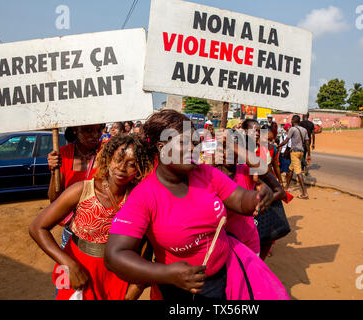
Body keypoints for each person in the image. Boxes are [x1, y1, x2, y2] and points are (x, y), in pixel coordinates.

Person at [104, 109, 289, 301]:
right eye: (184, 143)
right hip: (175, 289)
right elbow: (115, 255)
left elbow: (241, 201)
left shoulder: (207, 174)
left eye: (195, 143)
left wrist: (258, 197)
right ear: (161, 148)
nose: (194, 149)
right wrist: (167, 274)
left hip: (223, 278)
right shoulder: (144, 196)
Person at [30, 134, 154, 300]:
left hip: (115, 275)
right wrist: (68, 264)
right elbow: (37, 227)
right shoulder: (82, 190)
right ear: (108, 158)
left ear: (139, 168)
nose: (122, 168)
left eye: (131, 164)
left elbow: (145, 249)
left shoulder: (138, 200)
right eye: (118, 159)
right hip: (73, 264)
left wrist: (132, 293)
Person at [47, 124, 105, 249]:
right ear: (75, 130)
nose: (95, 136)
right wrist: (53, 171)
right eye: (88, 130)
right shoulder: (63, 154)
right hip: (72, 228)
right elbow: (54, 200)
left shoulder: (107, 151)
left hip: (103, 230)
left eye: (99, 130)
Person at [278, 115, 310, 199]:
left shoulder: (292, 129)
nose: (291, 121)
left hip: (294, 152)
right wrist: (309, 154)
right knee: (290, 169)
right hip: (301, 152)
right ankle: (286, 187)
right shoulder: (304, 130)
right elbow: (307, 143)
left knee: (298, 171)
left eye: (291, 120)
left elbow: (286, 140)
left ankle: (304, 193)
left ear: (293, 121)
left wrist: (278, 146)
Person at [279, 123, 292, 189]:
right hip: (283, 153)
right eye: (288, 128)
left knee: (288, 169)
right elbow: (280, 146)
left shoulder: (292, 136)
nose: (289, 130)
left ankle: (287, 184)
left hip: (289, 154)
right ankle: (280, 182)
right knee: (282, 169)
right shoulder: (283, 136)